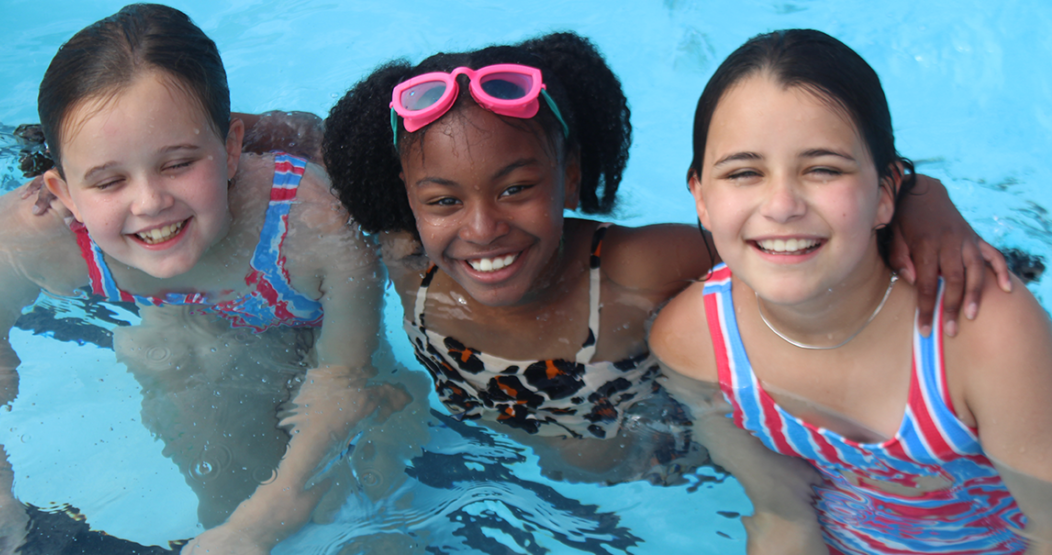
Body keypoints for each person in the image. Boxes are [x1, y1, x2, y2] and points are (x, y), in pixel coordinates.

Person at [322, 31, 1007, 484]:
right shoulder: (409, 260)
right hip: (500, 472)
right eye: (442, 200)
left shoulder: (637, 267)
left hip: (674, 473)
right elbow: (309, 141)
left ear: (569, 175)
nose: (482, 227)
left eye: (517, 188)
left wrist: (921, 196)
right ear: (407, 200)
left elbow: (788, 236)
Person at [0, 5, 407, 555]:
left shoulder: (311, 227)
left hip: (313, 332)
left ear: (230, 150)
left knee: (384, 495)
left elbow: (344, 376)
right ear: (62, 192)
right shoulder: (21, 238)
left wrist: (258, 526)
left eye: (177, 164)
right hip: (192, 336)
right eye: (108, 181)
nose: (150, 202)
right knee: (201, 428)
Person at [650, 29, 1051, 554]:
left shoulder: (979, 331)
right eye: (744, 172)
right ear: (700, 197)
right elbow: (783, 518)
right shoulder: (695, 342)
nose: (782, 204)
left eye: (822, 169)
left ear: (886, 194)